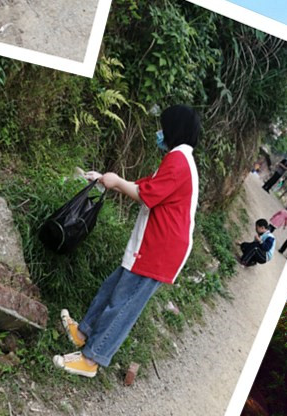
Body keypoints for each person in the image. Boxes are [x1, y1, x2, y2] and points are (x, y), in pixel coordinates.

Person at [52, 105, 200, 378]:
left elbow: (146, 194)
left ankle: (92, 358)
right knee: (112, 288)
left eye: (164, 126)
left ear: (174, 128)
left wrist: (117, 181)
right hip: (153, 243)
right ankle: (83, 333)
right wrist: (106, 180)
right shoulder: (177, 158)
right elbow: (147, 186)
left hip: (160, 249)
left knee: (123, 303)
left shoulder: (179, 160)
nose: (160, 132)